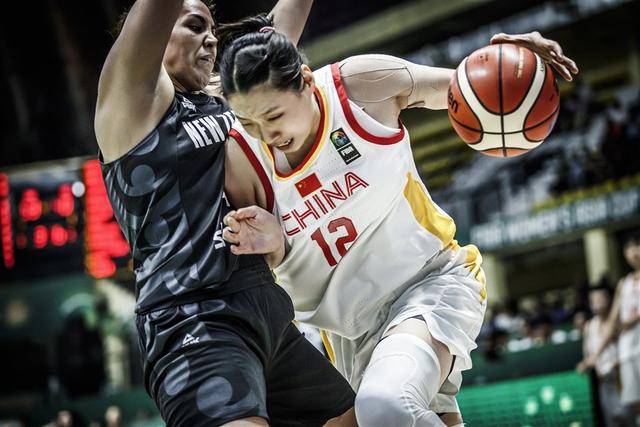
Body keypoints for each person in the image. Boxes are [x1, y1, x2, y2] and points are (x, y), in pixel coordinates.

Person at [217, 17, 578, 426]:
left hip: (428, 283)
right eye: (249, 123)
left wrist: (512, 64)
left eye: (273, 116)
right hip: (346, 332)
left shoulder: (358, 88)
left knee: (385, 405)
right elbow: (269, 266)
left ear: (305, 80)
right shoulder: (242, 158)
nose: (266, 134)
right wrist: (274, 246)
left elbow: (468, 91)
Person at [93, 1, 358, 426]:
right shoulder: (133, 103)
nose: (212, 40)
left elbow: (283, 26)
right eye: (196, 26)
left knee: (358, 418)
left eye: (213, 30)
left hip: (266, 309)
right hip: (193, 320)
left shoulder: (226, 99)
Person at [582, 231, 640, 426]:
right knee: (634, 403)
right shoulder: (624, 284)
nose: (634, 252)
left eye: (637, 246)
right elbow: (614, 322)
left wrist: (632, 320)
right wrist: (595, 355)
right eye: (629, 248)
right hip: (628, 351)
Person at [577, 285, 635, 427]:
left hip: (621, 378)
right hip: (603, 382)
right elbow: (588, 355)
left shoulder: (617, 322)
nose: (599, 303)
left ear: (609, 300)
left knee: (630, 419)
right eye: (595, 300)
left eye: (602, 299)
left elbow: (613, 334)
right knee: (611, 421)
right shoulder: (589, 326)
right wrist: (586, 363)